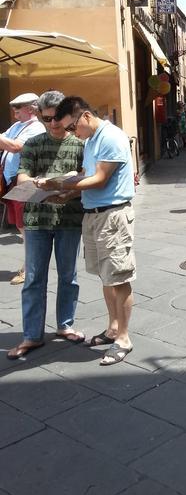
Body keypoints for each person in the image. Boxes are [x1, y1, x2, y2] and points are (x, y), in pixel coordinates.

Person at [37, 96, 136, 366]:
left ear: (86, 116)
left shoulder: (111, 137)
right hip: (93, 215)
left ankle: (124, 339)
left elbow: (100, 178)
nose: (71, 134)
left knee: (119, 278)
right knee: (106, 277)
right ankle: (113, 328)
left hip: (113, 216)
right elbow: (84, 174)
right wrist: (65, 193)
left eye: (71, 127)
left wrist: (58, 183)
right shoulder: (91, 140)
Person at [7, 91, 85, 360]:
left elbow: (86, 178)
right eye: (46, 118)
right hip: (37, 219)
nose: (52, 124)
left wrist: (68, 185)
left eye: (56, 119)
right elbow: (22, 176)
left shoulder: (79, 145)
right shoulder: (34, 143)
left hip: (69, 218)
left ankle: (65, 325)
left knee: (68, 276)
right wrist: (36, 183)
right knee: (33, 279)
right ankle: (31, 335)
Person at [0, 92, 45, 285]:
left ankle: (30, 269)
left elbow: (16, 147)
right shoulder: (18, 126)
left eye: (18, 108)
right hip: (13, 180)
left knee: (26, 226)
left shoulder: (36, 128)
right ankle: (31, 266)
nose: (15, 111)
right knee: (21, 225)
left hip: (25, 182)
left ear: (30, 109)